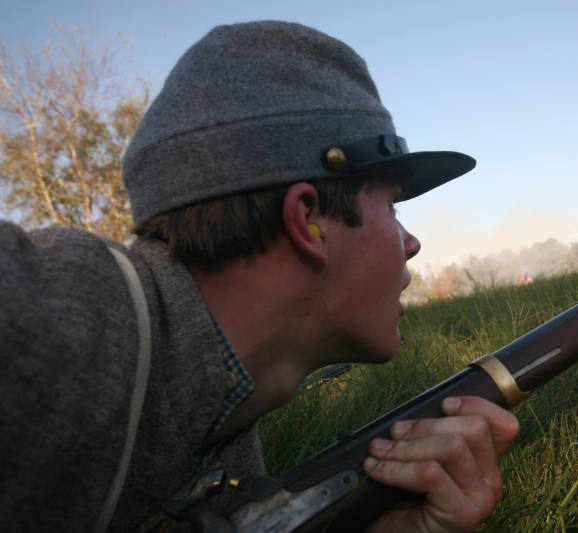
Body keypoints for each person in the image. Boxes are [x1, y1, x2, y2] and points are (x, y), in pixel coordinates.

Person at [0, 21, 519, 532]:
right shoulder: (38, 318)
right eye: (391, 206)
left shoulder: (230, 438)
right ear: (308, 222)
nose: (411, 242)